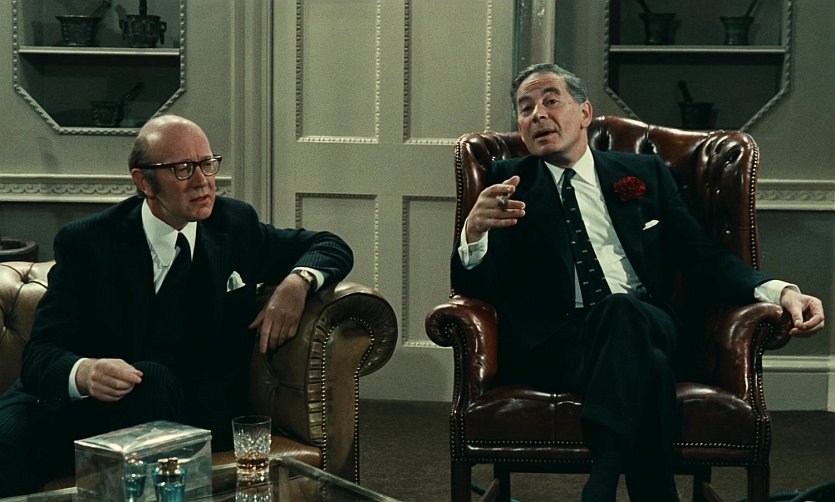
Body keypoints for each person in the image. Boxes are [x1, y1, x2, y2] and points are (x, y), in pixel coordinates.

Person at [451, 63, 825, 501]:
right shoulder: (508, 184)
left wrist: (782, 291)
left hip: (648, 320)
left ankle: (604, 479)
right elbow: (478, 287)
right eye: (525, 107)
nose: (538, 115)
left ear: (584, 113)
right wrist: (474, 233)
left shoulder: (643, 173)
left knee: (622, 309)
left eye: (551, 101)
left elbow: (702, 256)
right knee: (651, 366)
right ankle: (652, 491)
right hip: (559, 342)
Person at [0, 115, 353, 496]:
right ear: (144, 182)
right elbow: (40, 356)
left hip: (185, 411)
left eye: (207, 164)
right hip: (81, 409)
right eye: (183, 169)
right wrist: (85, 372)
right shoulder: (89, 243)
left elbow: (329, 245)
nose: (203, 181)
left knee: (154, 381)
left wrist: (298, 282)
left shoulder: (234, 225)